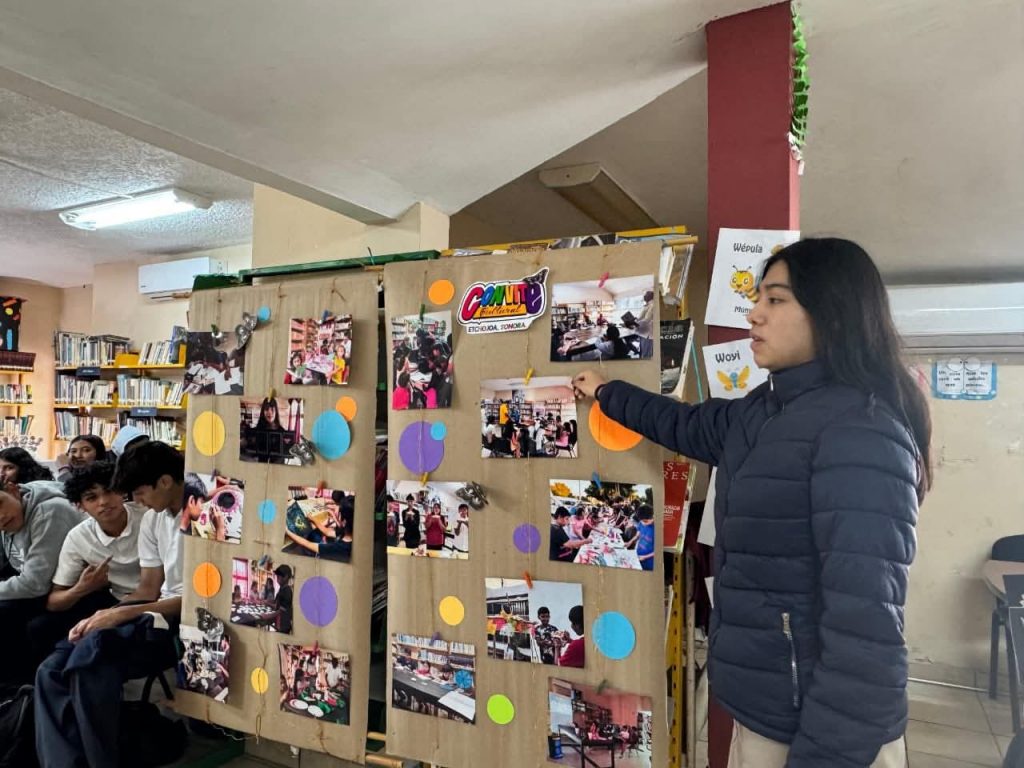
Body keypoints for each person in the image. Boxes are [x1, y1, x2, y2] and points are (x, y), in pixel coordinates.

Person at [571, 239, 930, 767]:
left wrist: (824, 754)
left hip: (825, 735)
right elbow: (682, 424)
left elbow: (866, 627)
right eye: (757, 297)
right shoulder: (761, 412)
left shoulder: (862, 432)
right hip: (763, 709)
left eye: (776, 300)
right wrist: (607, 392)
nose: (754, 313)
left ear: (833, 313)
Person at [34, 440, 185, 768]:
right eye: (92, 498)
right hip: (145, 609)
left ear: (164, 482)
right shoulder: (154, 519)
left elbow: (192, 601)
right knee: (50, 671)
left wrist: (117, 615)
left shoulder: (199, 518)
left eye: (137, 493)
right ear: (81, 506)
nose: (136, 501)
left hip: (172, 621)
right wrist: (104, 614)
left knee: (89, 662)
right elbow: (148, 587)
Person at [28, 461, 144, 664]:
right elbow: (54, 600)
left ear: (121, 491)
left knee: (90, 651)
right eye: (92, 498)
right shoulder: (79, 537)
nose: (103, 502)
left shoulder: (148, 517)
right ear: (80, 506)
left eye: (109, 491)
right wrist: (82, 588)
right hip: (116, 601)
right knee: (42, 631)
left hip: (156, 602)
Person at [0, 477, 83, 683]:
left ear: (12, 489)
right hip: (45, 590)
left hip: (78, 591)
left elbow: (35, 584)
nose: (0, 517)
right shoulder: (14, 513)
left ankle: (21, 691)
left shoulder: (50, 511)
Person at [633, 505, 656, 572]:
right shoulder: (641, 522)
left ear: (653, 517)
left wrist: (645, 557)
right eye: (642, 521)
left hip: (649, 562)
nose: (643, 523)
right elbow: (637, 535)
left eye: (645, 521)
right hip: (638, 555)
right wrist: (629, 542)